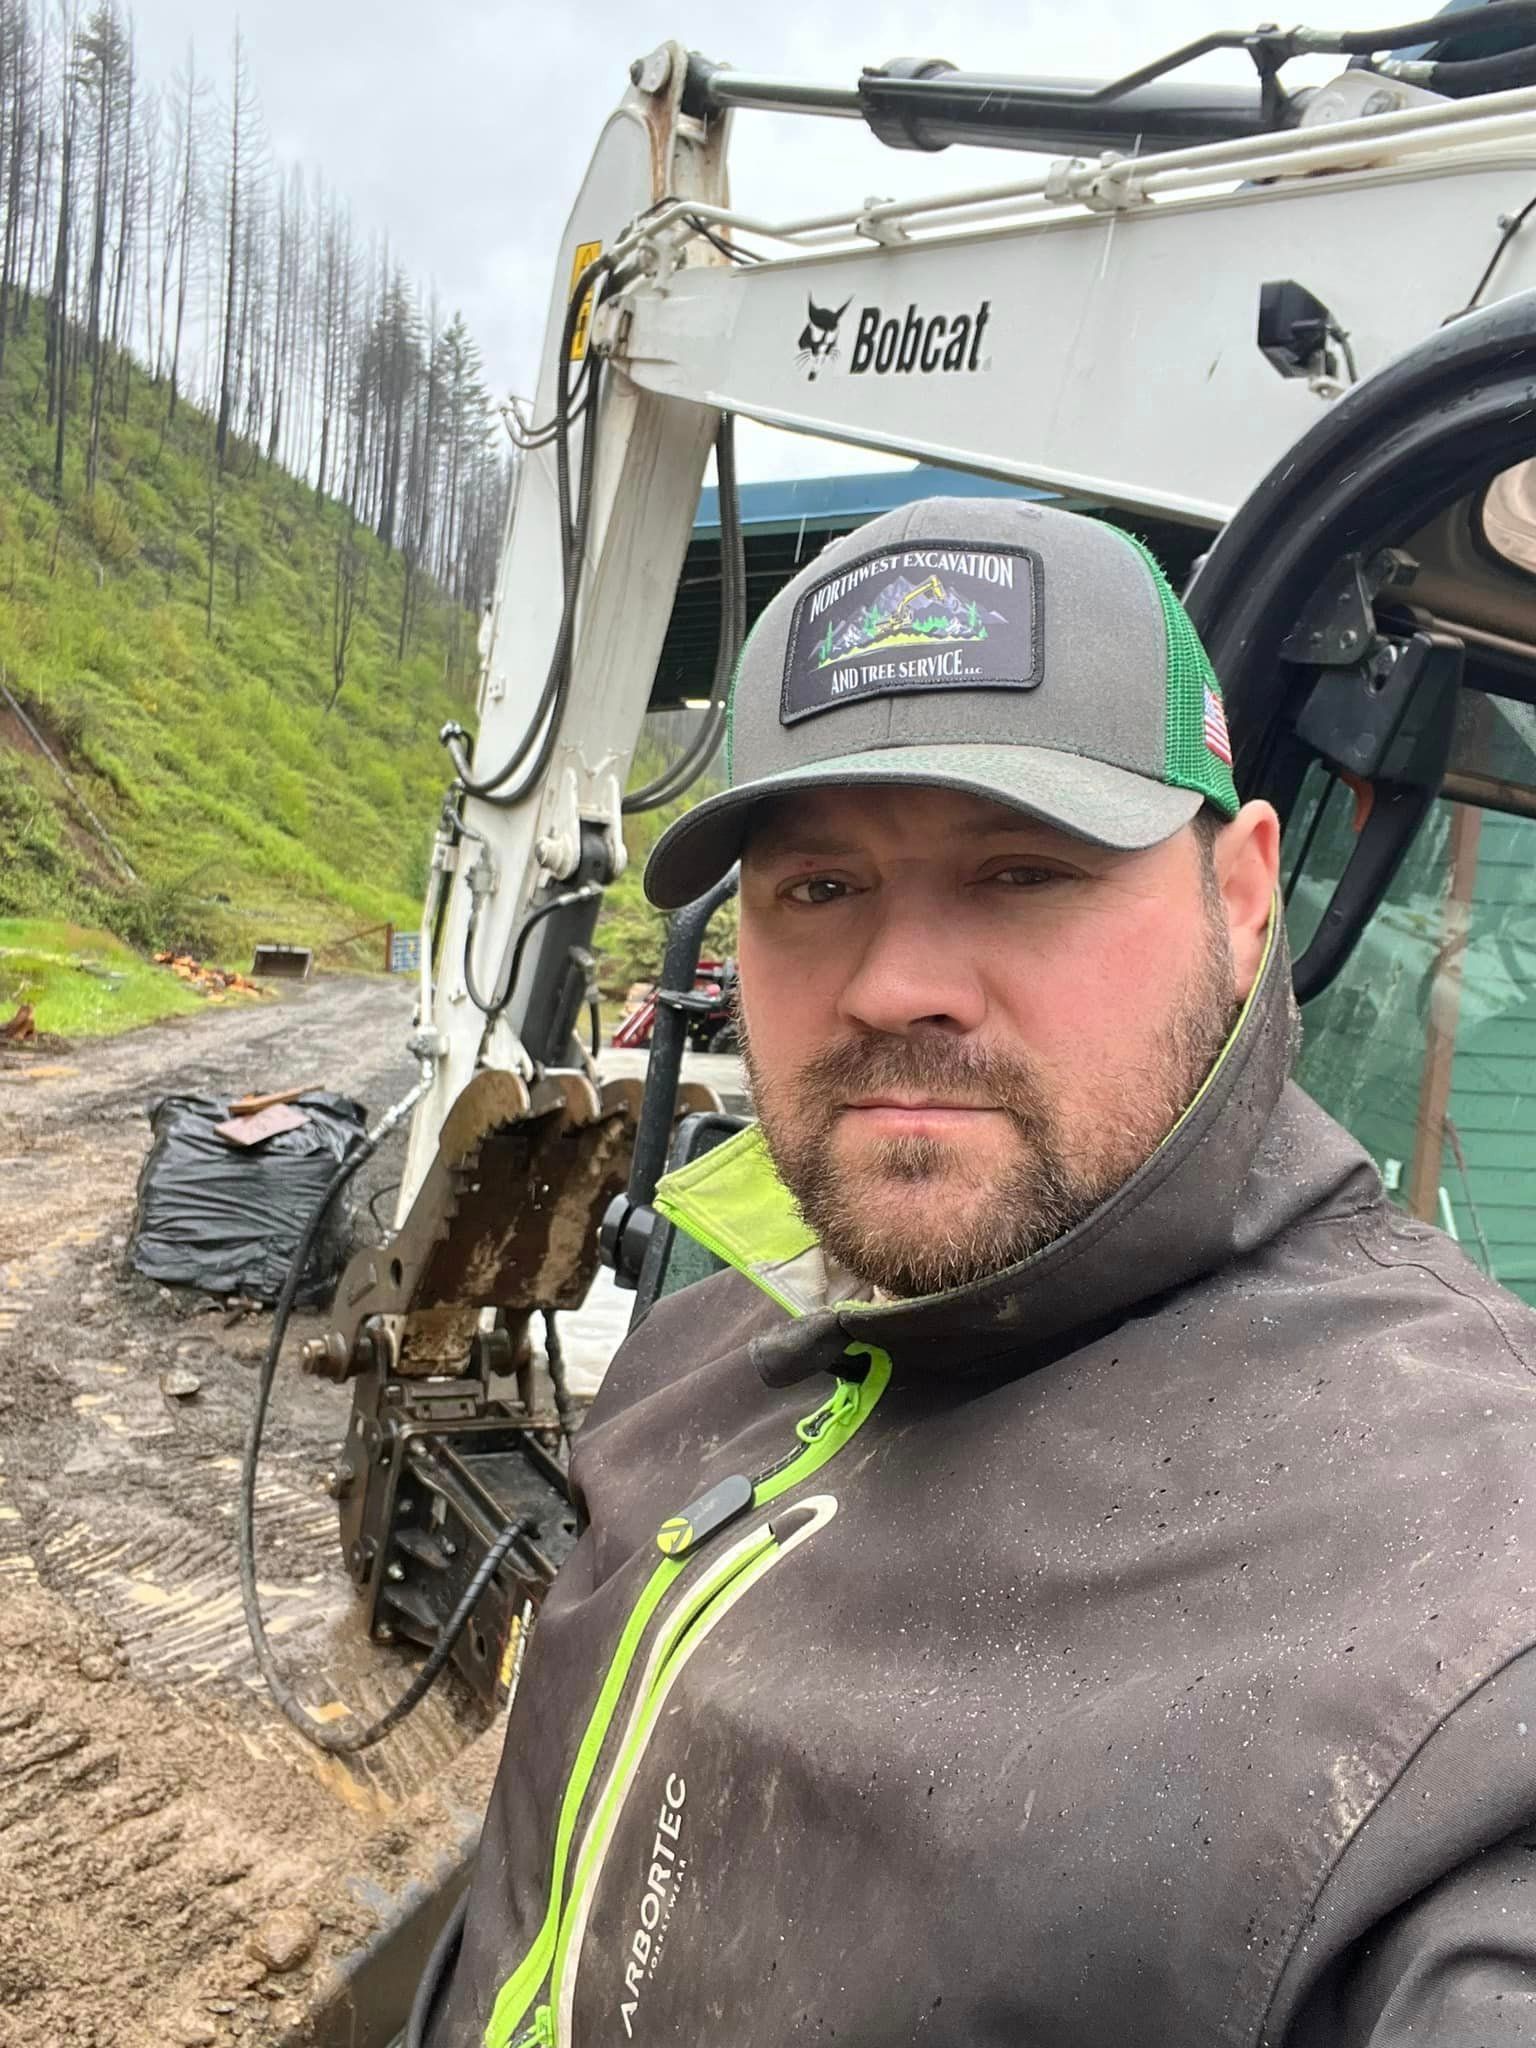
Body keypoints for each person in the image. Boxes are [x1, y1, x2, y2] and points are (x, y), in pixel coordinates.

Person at [429, 499, 1536, 2047]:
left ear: (1240, 894)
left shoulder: (1469, 1563)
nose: (896, 984)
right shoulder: (696, 1349)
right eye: (818, 890)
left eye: (1022, 872)